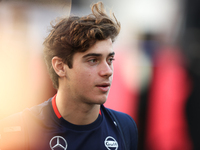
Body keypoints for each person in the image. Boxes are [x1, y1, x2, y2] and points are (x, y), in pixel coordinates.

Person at [0, 2, 138, 150]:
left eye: (110, 60)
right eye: (93, 60)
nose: (108, 71)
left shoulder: (125, 126)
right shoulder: (18, 129)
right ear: (60, 67)